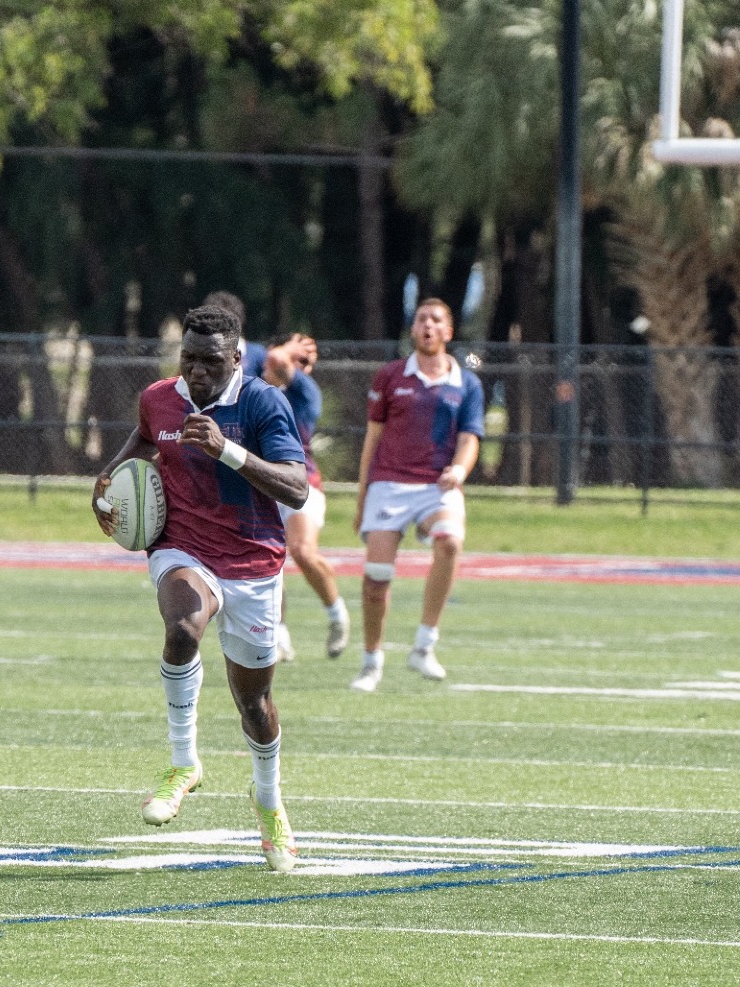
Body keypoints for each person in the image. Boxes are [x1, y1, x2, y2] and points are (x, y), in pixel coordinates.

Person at [92, 304, 308, 872]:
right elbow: (142, 442)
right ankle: (184, 763)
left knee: (255, 706)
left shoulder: (263, 402)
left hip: (254, 563)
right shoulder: (160, 397)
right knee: (183, 627)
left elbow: (297, 488)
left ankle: (268, 802)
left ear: (236, 358)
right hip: (183, 547)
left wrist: (227, 451)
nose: (196, 371)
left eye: (210, 360)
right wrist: (106, 489)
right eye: (187, 357)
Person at [349, 298, 484, 692]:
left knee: (450, 543)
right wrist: (362, 499)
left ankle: (424, 645)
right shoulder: (390, 376)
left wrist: (459, 469)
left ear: (449, 331)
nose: (428, 325)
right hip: (389, 484)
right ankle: (371, 661)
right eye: (422, 318)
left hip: (435, 486)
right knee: (376, 578)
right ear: (413, 329)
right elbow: (372, 440)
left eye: (436, 319)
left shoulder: (466, 382)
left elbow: (470, 438)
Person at [251, 332, 348, 661]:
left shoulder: (304, 392)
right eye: (299, 359)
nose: (302, 367)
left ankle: (337, 615)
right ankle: (278, 635)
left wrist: (289, 352)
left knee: (302, 551)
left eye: (307, 362)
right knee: (269, 564)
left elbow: (277, 359)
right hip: (263, 483)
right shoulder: (254, 387)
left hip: (300, 481)